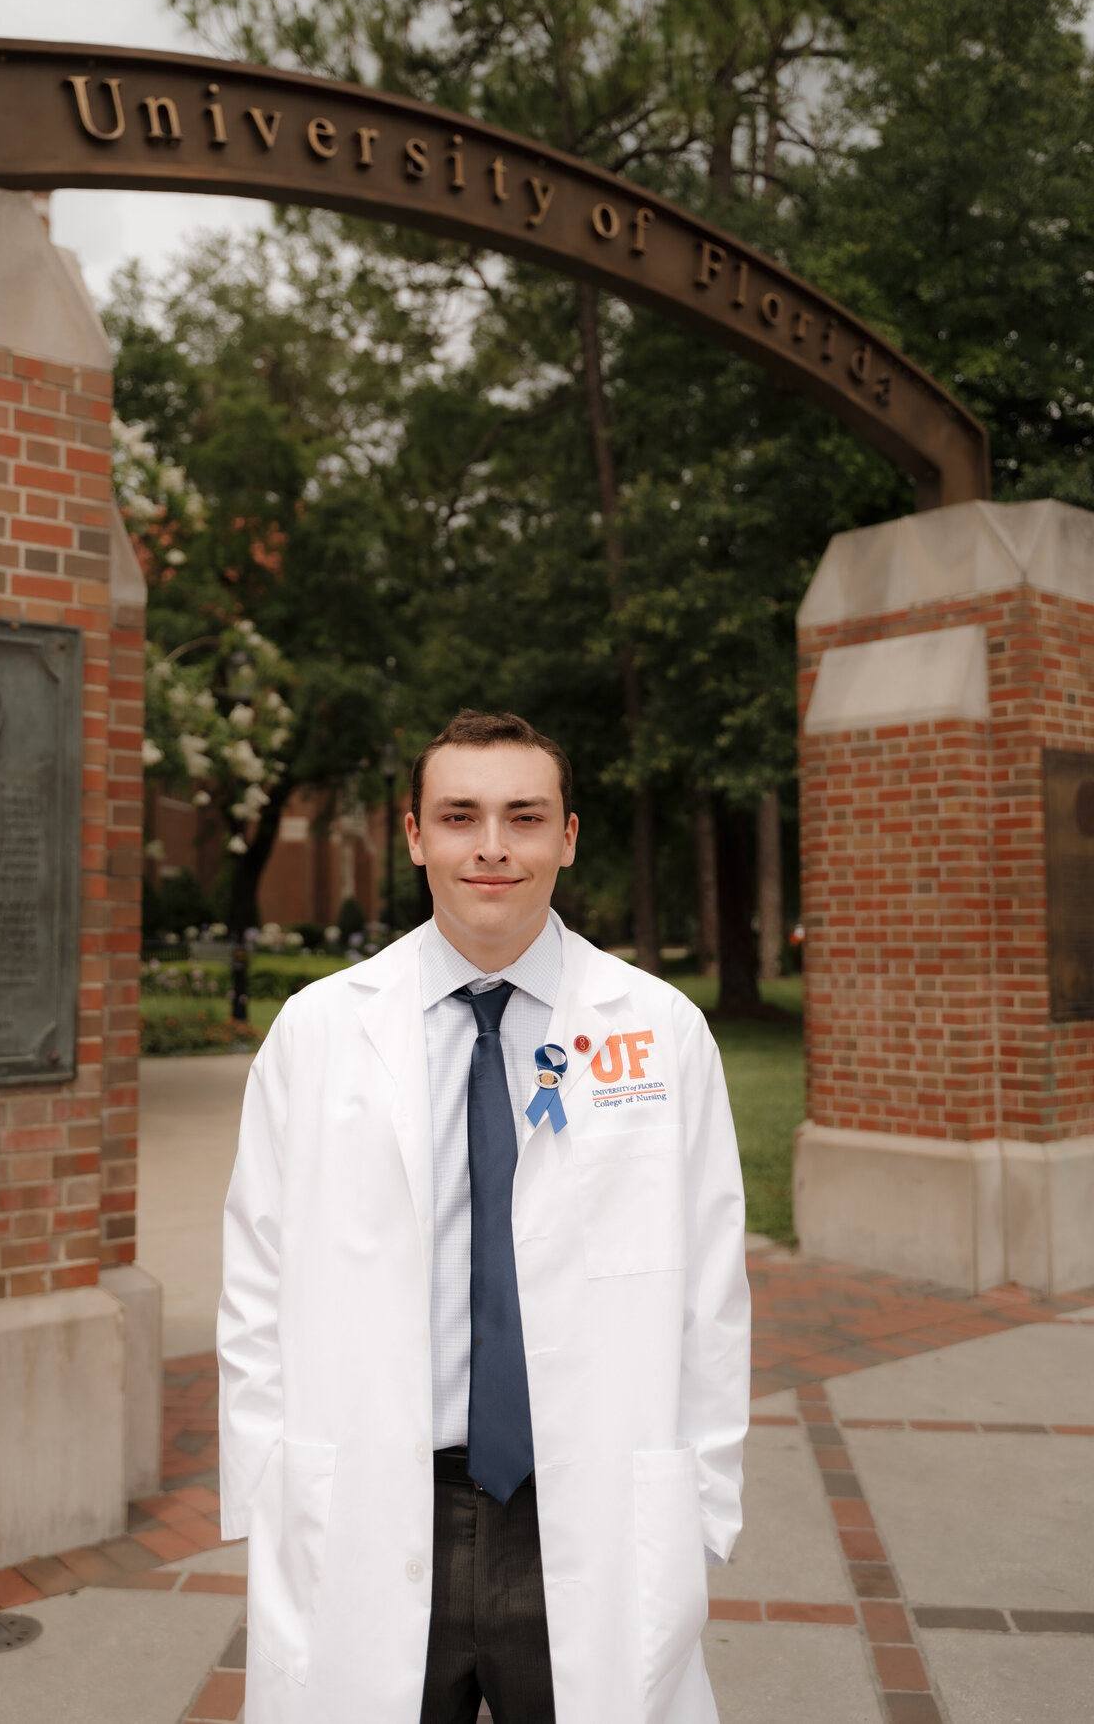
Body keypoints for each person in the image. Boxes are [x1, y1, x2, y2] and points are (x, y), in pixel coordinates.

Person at [218, 710, 751, 1724]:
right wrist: (268, 1488)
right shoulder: (320, 1032)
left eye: (525, 817)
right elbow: (255, 1279)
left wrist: (702, 1501)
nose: (493, 847)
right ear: (414, 836)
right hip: (376, 1504)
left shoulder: (660, 1033)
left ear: (569, 837)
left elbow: (713, 1300)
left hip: (582, 1514)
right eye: (460, 817)